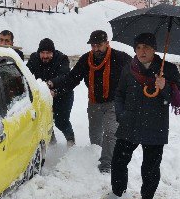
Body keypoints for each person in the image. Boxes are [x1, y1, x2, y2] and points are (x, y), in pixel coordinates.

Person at [97, 33, 180, 199]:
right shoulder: (129, 68)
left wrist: (165, 87)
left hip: (155, 125)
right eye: (138, 47)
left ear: (154, 49)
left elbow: (179, 99)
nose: (142, 51)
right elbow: (119, 93)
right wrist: (121, 114)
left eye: (146, 47)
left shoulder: (167, 69)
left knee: (151, 166)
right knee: (119, 161)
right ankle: (118, 194)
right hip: (130, 123)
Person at [48, 30, 131, 172]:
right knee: (95, 135)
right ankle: (95, 157)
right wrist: (57, 91)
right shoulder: (86, 59)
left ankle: (106, 165)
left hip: (113, 103)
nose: (96, 49)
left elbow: (135, 72)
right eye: (93, 46)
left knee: (111, 132)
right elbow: (72, 79)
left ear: (107, 44)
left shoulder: (120, 58)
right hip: (94, 102)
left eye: (99, 45)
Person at [27, 38, 75, 146]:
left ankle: (71, 141)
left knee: (61, 121)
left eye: (48, 53)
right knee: (44, 120)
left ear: (53, 52)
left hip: (63, 93)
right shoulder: (34, 59)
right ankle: (51, 143)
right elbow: (26, 74)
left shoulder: (62, 59)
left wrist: (50, 84)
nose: (45, 56)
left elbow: (65, 77)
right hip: (44, 95)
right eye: (42, 53)